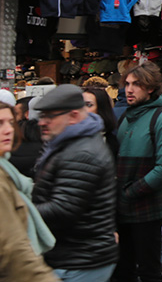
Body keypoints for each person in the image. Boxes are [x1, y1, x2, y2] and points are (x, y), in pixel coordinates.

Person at [32, 84, 118, 281]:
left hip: (79, 261)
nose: (42, 122)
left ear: (73, 116)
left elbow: (64, 208)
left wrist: (20, 210)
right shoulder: (69, 144)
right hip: (73, 257)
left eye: (50, 116)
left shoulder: (81, 153)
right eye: (41, 116)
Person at [114, 61, 162, 282]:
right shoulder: (125, 118)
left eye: (137, 84)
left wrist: (130, 192)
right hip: (120, 208)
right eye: (127, 84)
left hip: (146, 208)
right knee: (122, 270)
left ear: (151, 87)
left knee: (149, 271)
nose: (129, 89)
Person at [0, 99, 58, 281]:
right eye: (0, 124)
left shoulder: (6, 171)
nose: (9, 129)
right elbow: (14, 249)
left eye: (10, 122)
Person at [83, 86, 120, 156]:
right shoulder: (70, 138)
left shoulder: (111, 141)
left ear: (101, 109)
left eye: (89, 105)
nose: (83, 109)